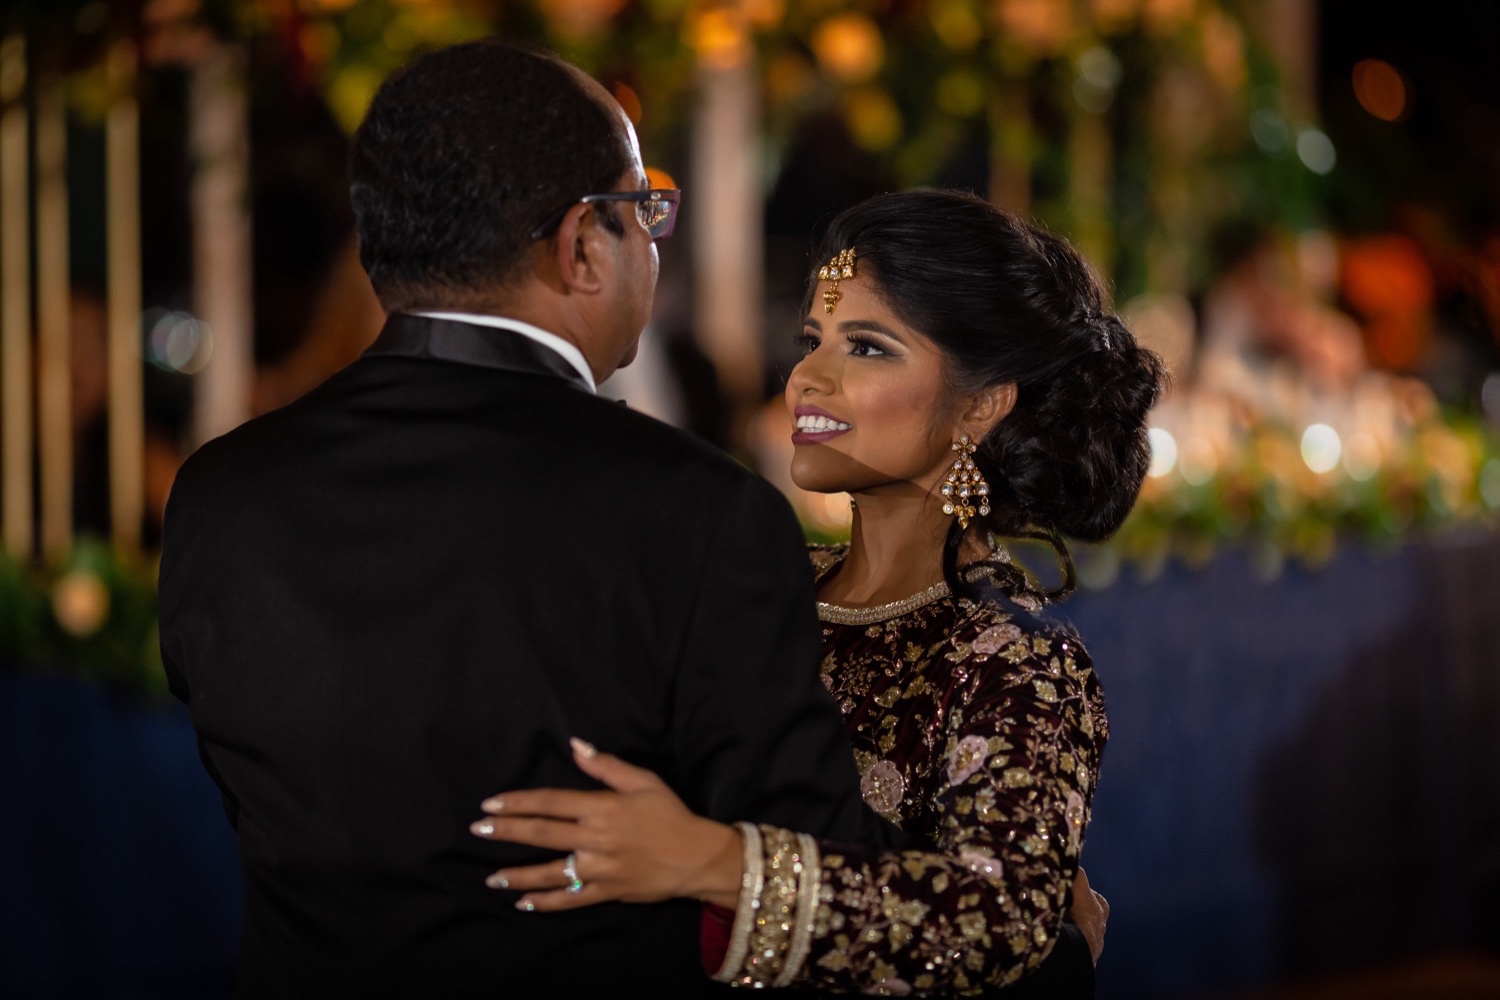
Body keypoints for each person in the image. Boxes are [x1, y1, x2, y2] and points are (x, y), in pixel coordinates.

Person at [157, 40, 893, 995]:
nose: (655, 246)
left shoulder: (219, 493)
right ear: (582, 245)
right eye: (645, 214)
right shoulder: (696, 512)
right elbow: (811, 891)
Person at [471, 189, 1162, 994]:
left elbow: (994, 926)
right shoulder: (753, 580)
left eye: (866, 347)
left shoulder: (1012, 664)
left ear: (979, 405)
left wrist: (714, 863)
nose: (806, 376)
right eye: (811, 340)